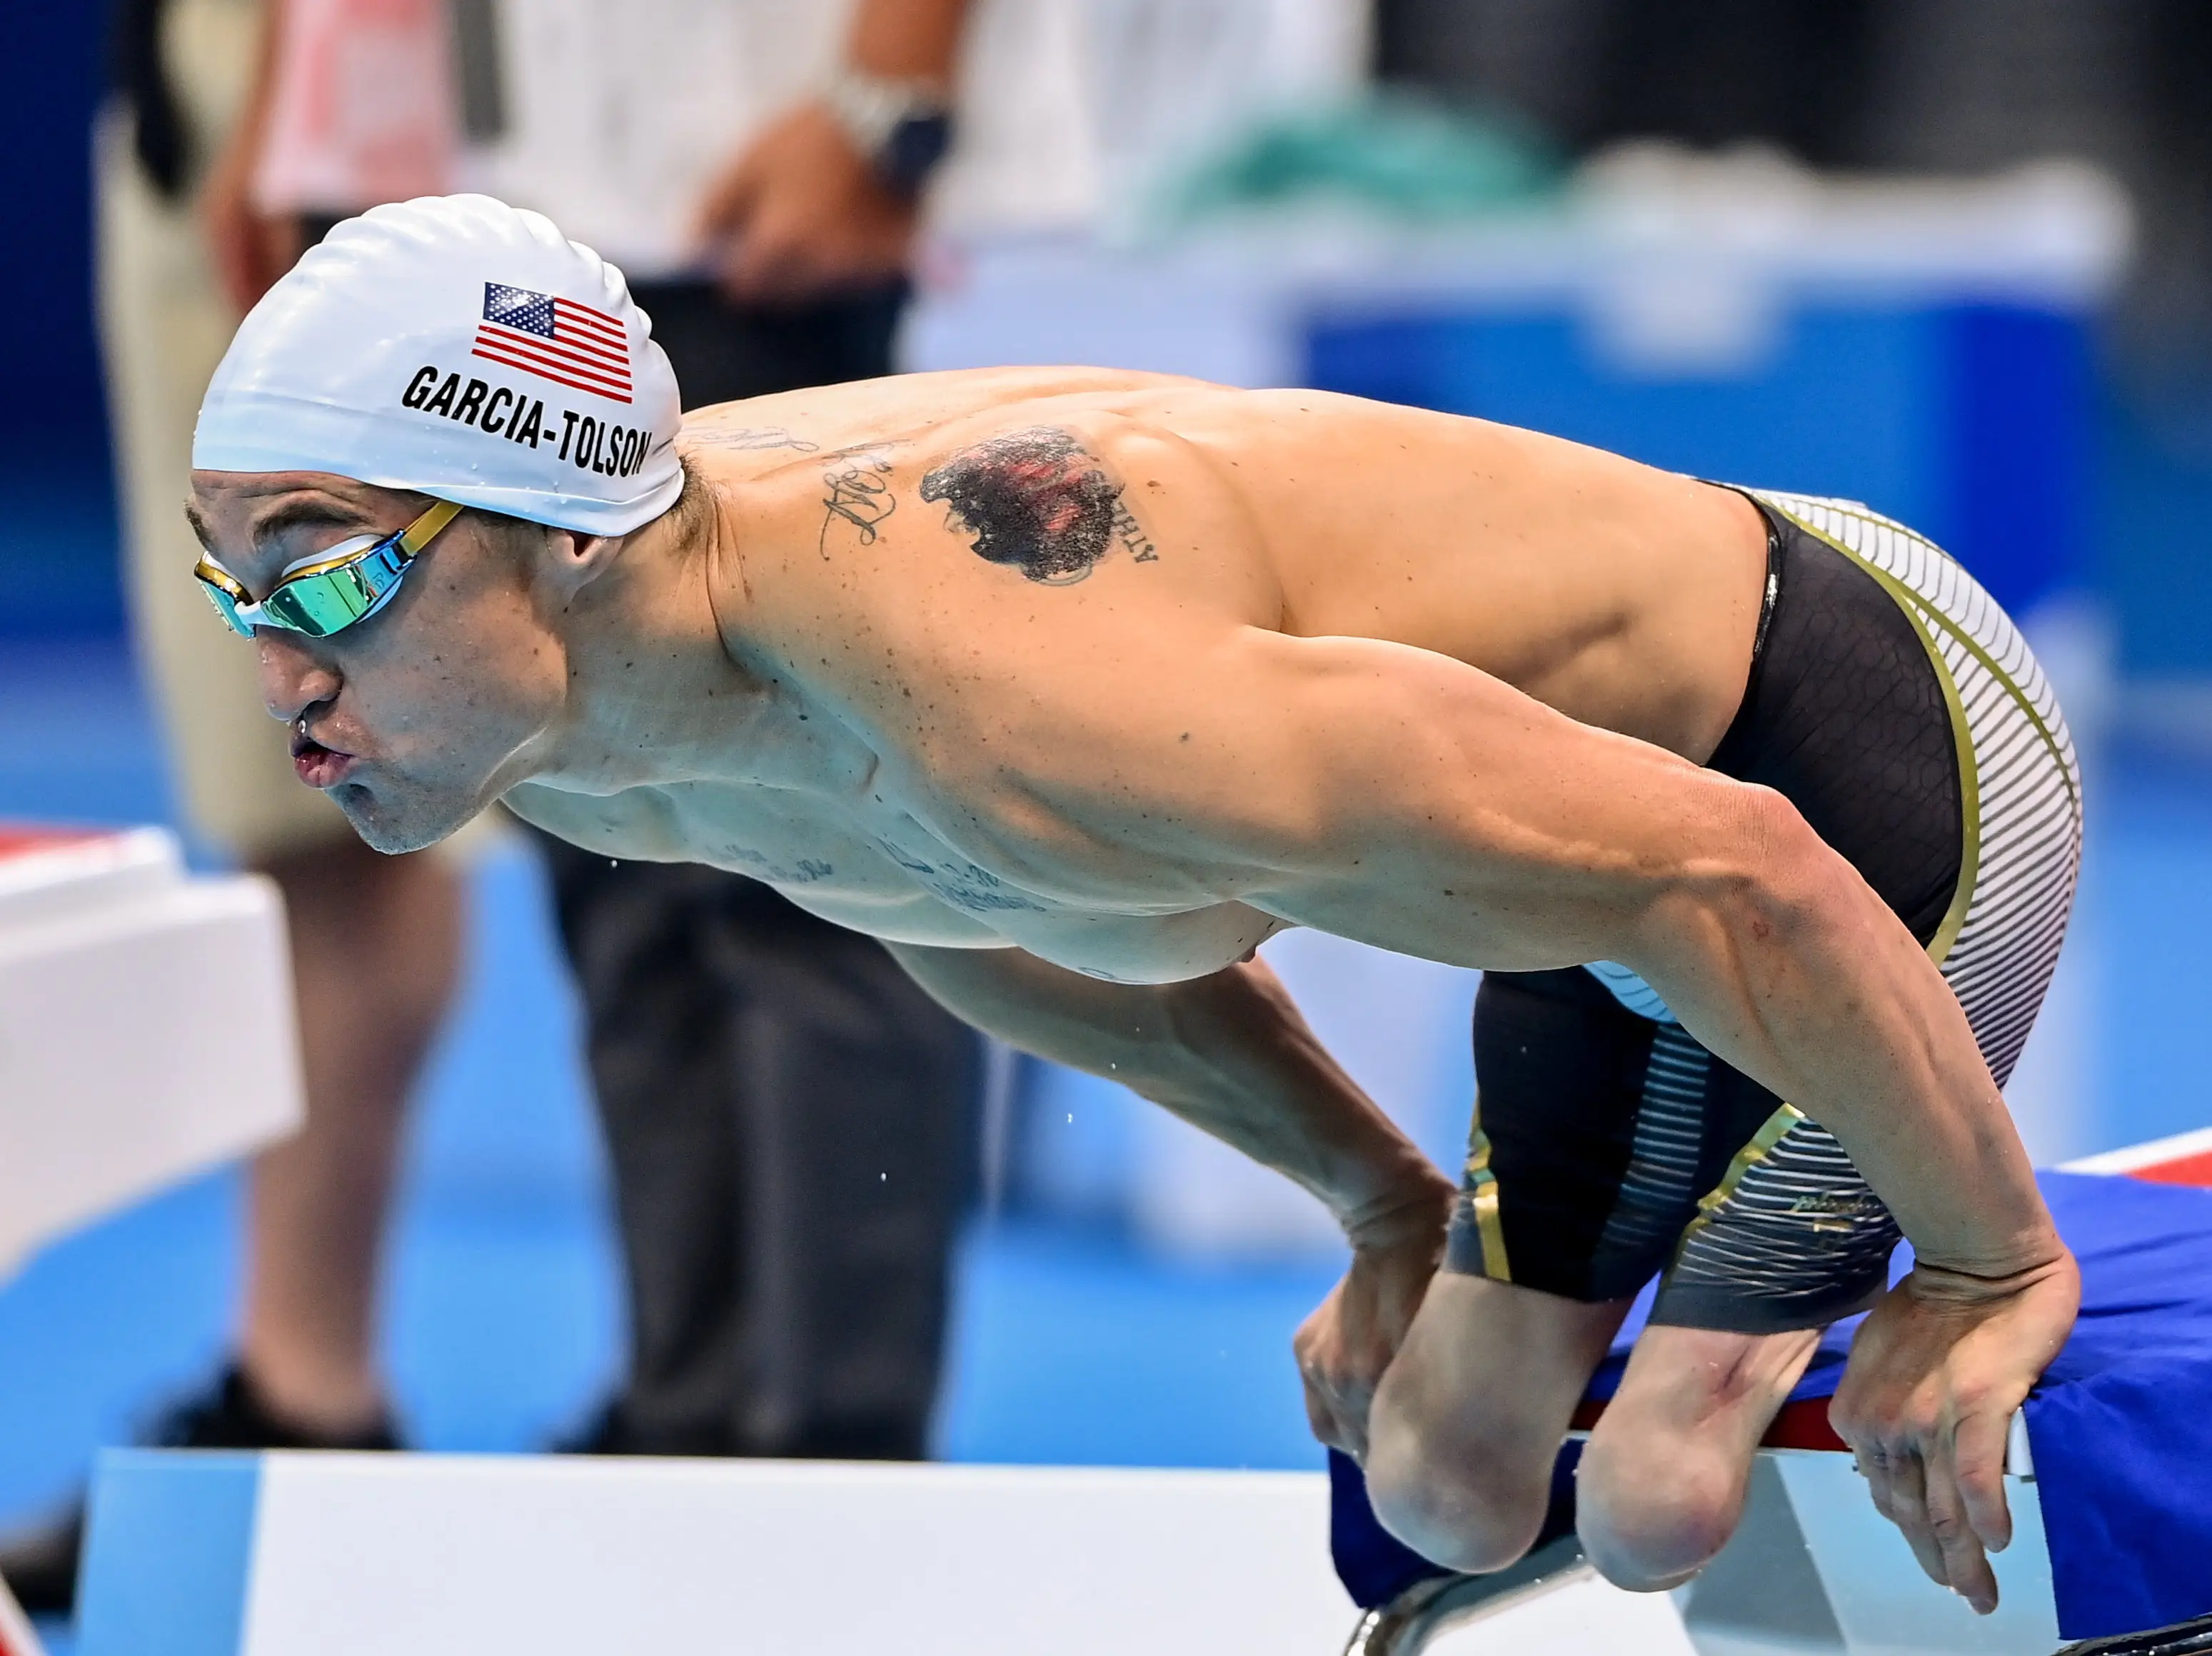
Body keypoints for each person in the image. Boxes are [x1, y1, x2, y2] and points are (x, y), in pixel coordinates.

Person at [184, 195, 2082, 1617]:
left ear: (564, 534)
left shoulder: (1007, 661)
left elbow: (1734, 860)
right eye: (232, 586)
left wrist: (1981, 1264)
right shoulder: (589, 722)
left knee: (1660, 1494)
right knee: (1441, 1481)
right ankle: (1699, 1275)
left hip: (1862, 738)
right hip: (1610, 898)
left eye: (326, 577)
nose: (280, 671)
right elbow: (970, 906)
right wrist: (1378, 1197)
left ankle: (1899, 1290)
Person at [476, 0, 989, 1462]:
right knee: (613, 851)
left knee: (822, 853)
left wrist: (890, 100)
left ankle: (836, 1445)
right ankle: (688, 1419)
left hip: (733, 210)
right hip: (512, 233)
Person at [0, 0, 459, 1613]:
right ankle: (300, 1372)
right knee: (291, 803)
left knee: (354, 780)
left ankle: (316, 1380)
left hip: (301, 90)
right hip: (205, 94)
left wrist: (307, 104)